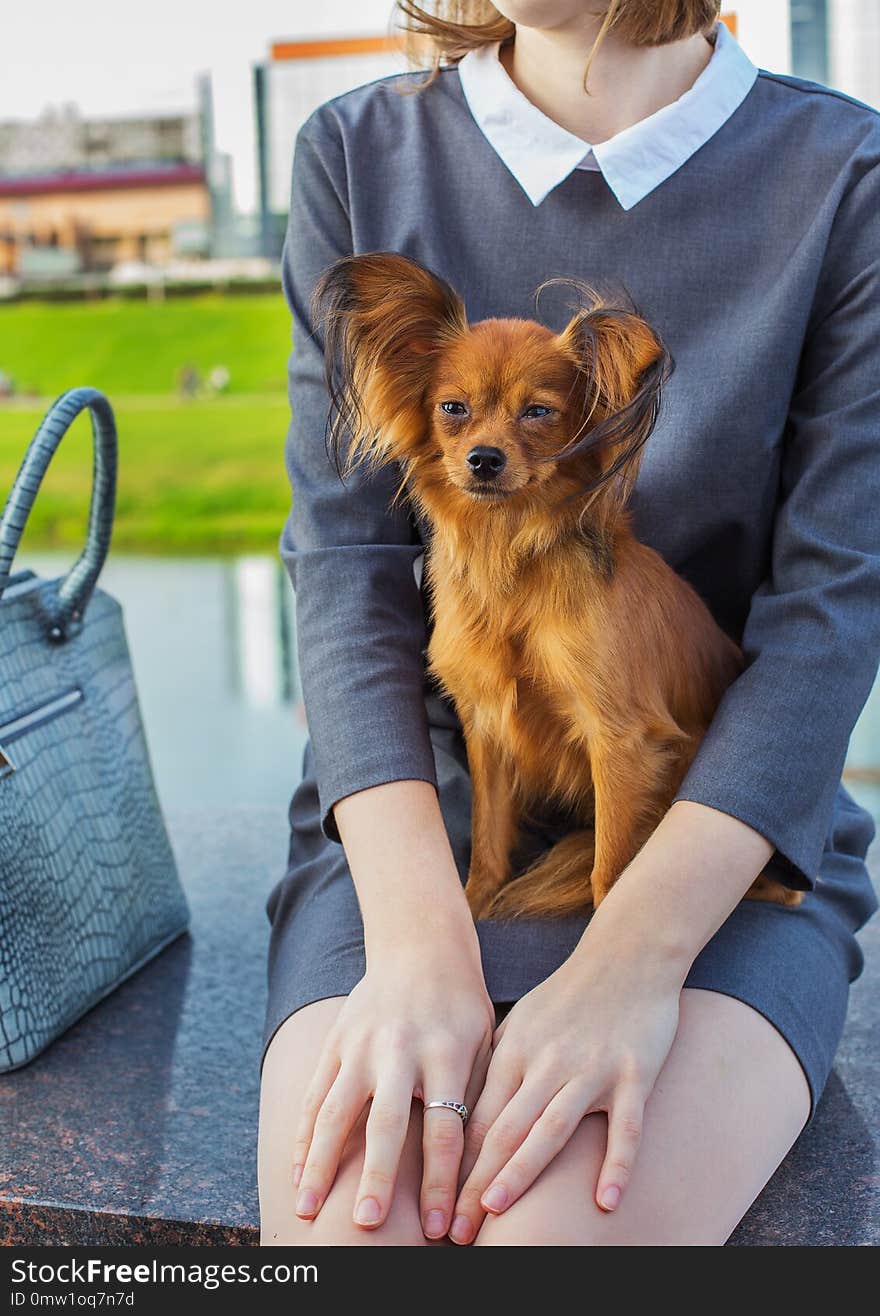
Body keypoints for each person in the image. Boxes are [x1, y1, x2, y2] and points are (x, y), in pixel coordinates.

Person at [258, 1, 880, 1246]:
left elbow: (832, 607)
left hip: (718, 834)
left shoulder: (842, 175)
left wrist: (628, 962)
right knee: (360, 1234)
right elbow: (345, 563)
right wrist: (421, 943)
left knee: (550, 1232)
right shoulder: (358, 149)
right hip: (406, 827)